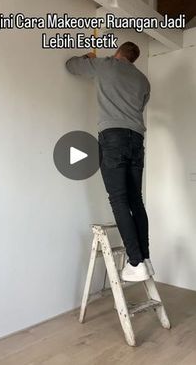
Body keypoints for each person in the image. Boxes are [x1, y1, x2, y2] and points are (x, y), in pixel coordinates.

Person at [66, 42, 153, 282]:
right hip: (136, 139)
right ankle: (145, 258)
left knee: (119, 199)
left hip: (113, 137)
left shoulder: (106, 65)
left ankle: (135, 262)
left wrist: (88, 56)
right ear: (134, 58)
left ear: (118, 53)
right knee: (136, 199)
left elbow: (72, 66)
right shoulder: (143, 81)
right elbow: (139, 106)